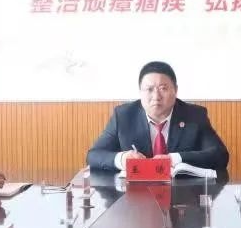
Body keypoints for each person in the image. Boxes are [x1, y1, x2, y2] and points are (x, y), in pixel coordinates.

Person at [87, 61, 229, 171]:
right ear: (140, 92)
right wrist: (122, 158)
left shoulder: (194, 115)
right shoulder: (123, 116)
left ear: (175, 90)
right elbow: (94, 155)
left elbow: (220, 155)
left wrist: (174, 159)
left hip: (182, 193)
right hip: (136, 194)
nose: (156, 96)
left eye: (163, 88)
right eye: (149, 89)